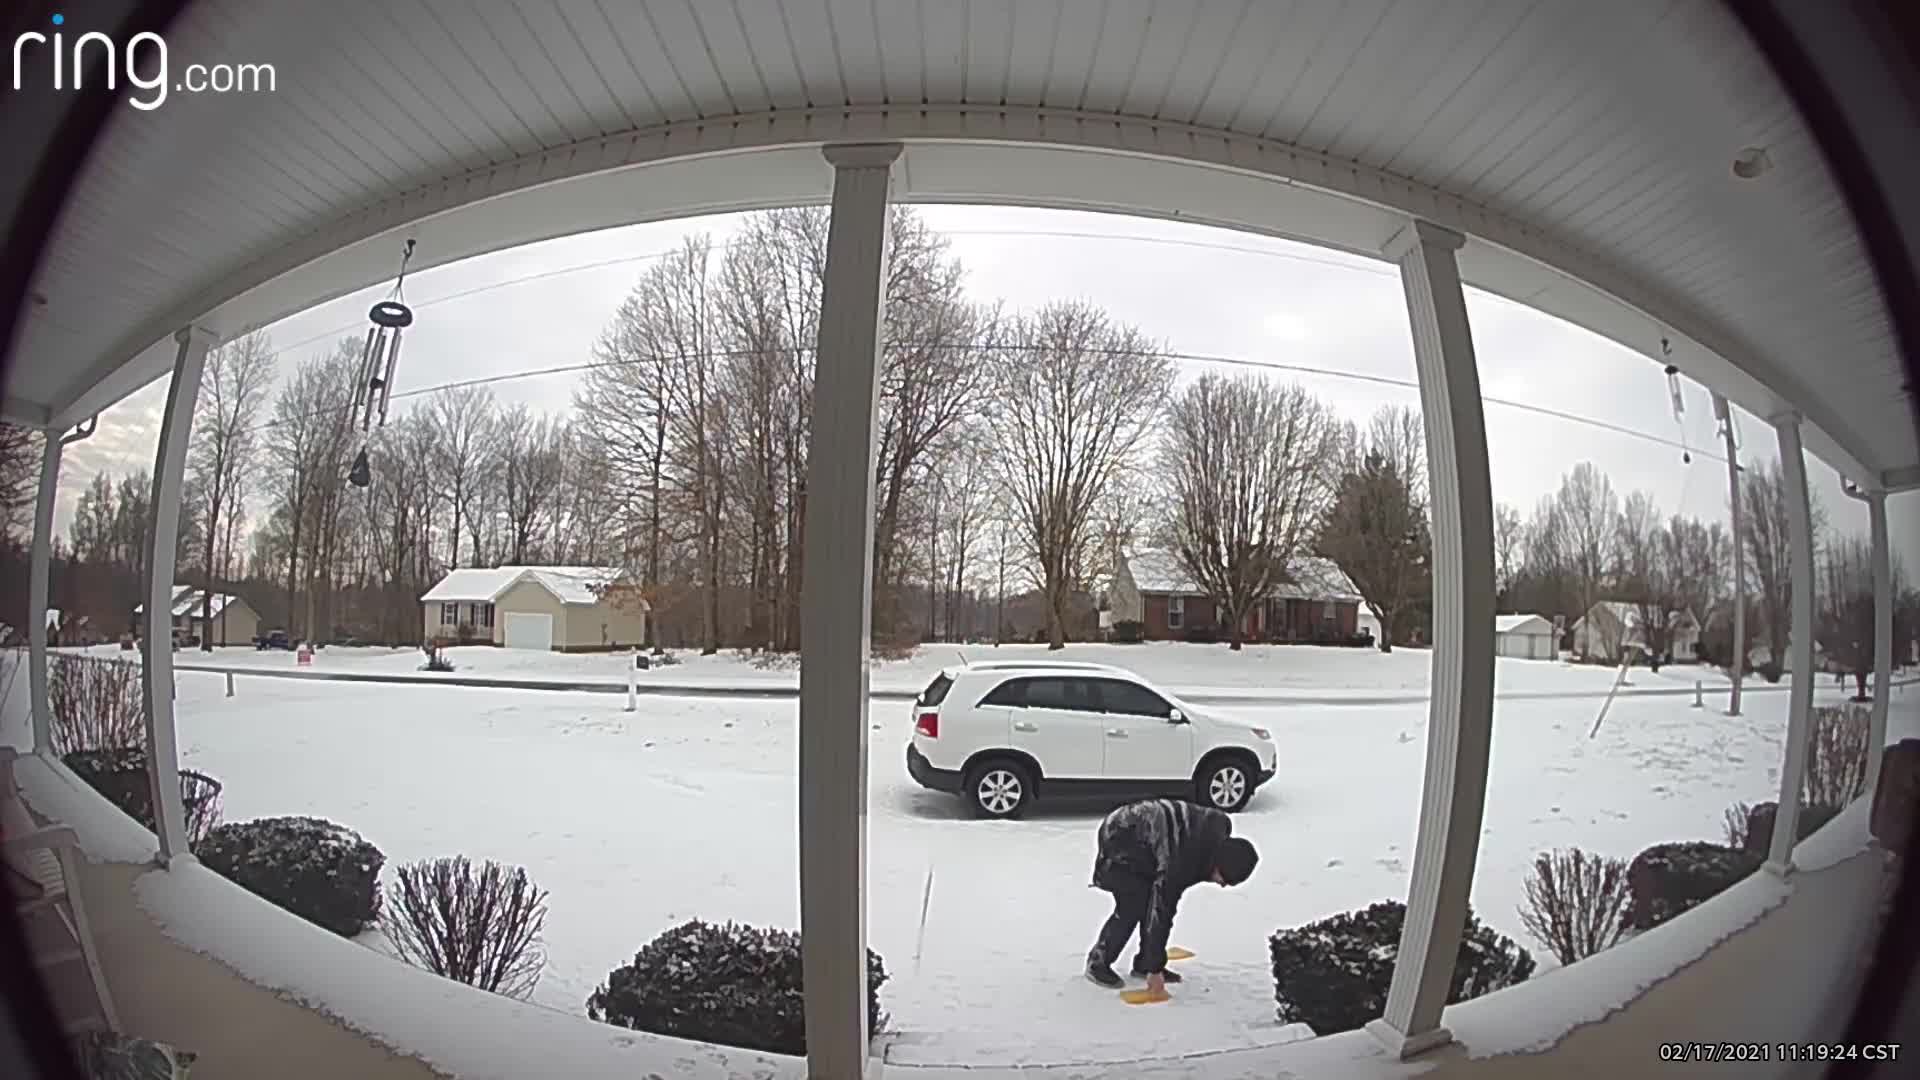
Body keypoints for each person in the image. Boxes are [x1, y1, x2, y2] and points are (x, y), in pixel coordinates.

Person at [1084, 797, 1259, 993]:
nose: (1222, 885)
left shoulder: (1218, 830)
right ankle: (1098, 962)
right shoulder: (1180, 862)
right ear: (1218, 865)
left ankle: (1145, 963)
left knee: (1149, 900)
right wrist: (1156, 969)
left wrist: (1154, 964)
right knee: (1134, 905)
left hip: (1150, 839)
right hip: (1121, 834)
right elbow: (1162, 911)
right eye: (1224, 879)